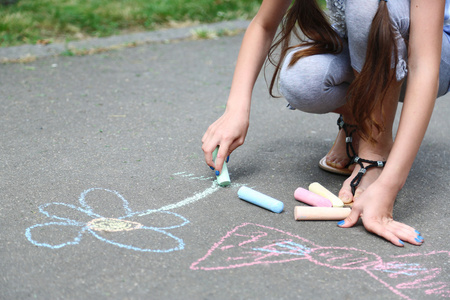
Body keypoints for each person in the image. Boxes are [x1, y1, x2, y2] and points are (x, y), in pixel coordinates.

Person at [201, 0, 450, 246]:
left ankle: (376, 148)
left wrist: (389, 185)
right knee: (303, 81)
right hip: (365, 47)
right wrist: (235, 111)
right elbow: (264, 25)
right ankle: (357, 122)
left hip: (434, 50)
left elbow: (424, 68)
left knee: (365, 5)